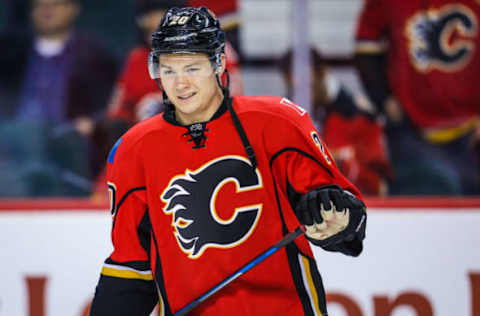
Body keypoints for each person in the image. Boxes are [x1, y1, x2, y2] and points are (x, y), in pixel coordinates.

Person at [90, 7, 367, 316]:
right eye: (168, 70)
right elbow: (131, 265)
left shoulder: (278, 123)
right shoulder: (134, 149)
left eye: (192, 68)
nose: (179, 84)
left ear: (219, 63)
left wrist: (336, 217)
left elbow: (348, 221)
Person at [92, 0, 244, 199]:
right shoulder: (138, 58)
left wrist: (169, 104)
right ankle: (110, 187)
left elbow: (226, 97)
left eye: (161, 15)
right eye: (149, 23)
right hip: (148, 136)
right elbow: (120, 109)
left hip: (204, 133)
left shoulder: (211, 49)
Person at [354, 0, 480, 195]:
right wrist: (383, 99)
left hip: (472, 130)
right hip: (412, 129)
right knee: (441, 185)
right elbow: (366, 47)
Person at [0, 0, 117, 196]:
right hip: (11, 148)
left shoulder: (95, 56)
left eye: (55, 4)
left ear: (73, 8)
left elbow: (109, 107)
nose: (47, 11)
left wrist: (92, 123)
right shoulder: (8, 53)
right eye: (39, 5)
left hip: (66, 149)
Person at [278, 47, 392, 196]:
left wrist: (341, 165)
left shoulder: (358, 118)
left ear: (322, 74)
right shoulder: (286, 122)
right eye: (294, 87)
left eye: (307, 86)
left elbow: (381, 187)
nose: (302, 94)